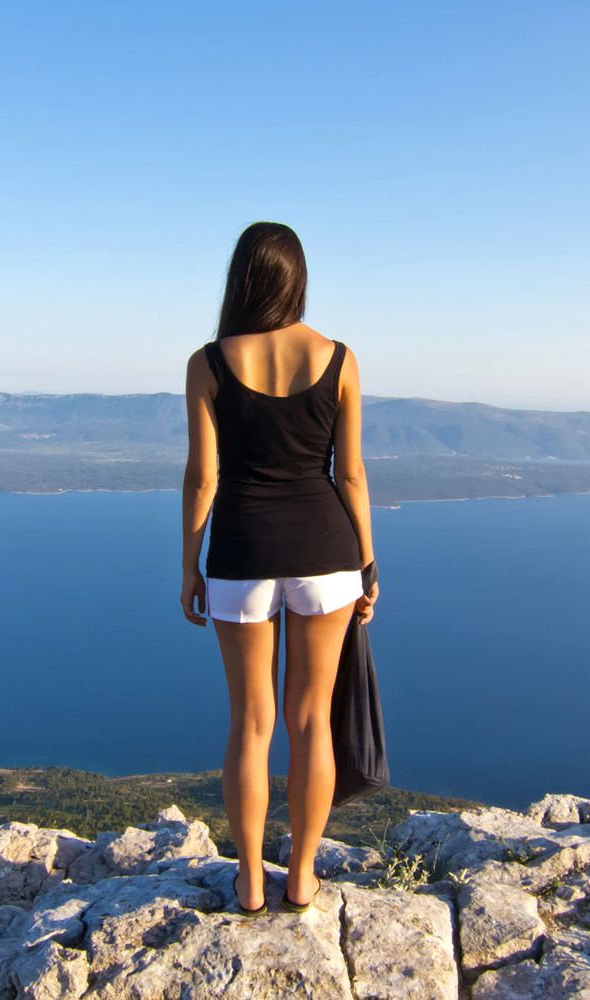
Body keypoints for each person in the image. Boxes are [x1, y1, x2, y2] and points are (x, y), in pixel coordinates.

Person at [180, 221, 379, 916]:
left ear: (242, 277)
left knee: (251, 723)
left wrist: (189, 567)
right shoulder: (339, 358)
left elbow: (203, 479)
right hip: (328, 554)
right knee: (311, 721)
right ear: (296, 278)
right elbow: (350, 475)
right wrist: (368, 563)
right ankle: (301, 878)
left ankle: (250, 883)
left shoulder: (208, 362)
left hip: (239, 553)